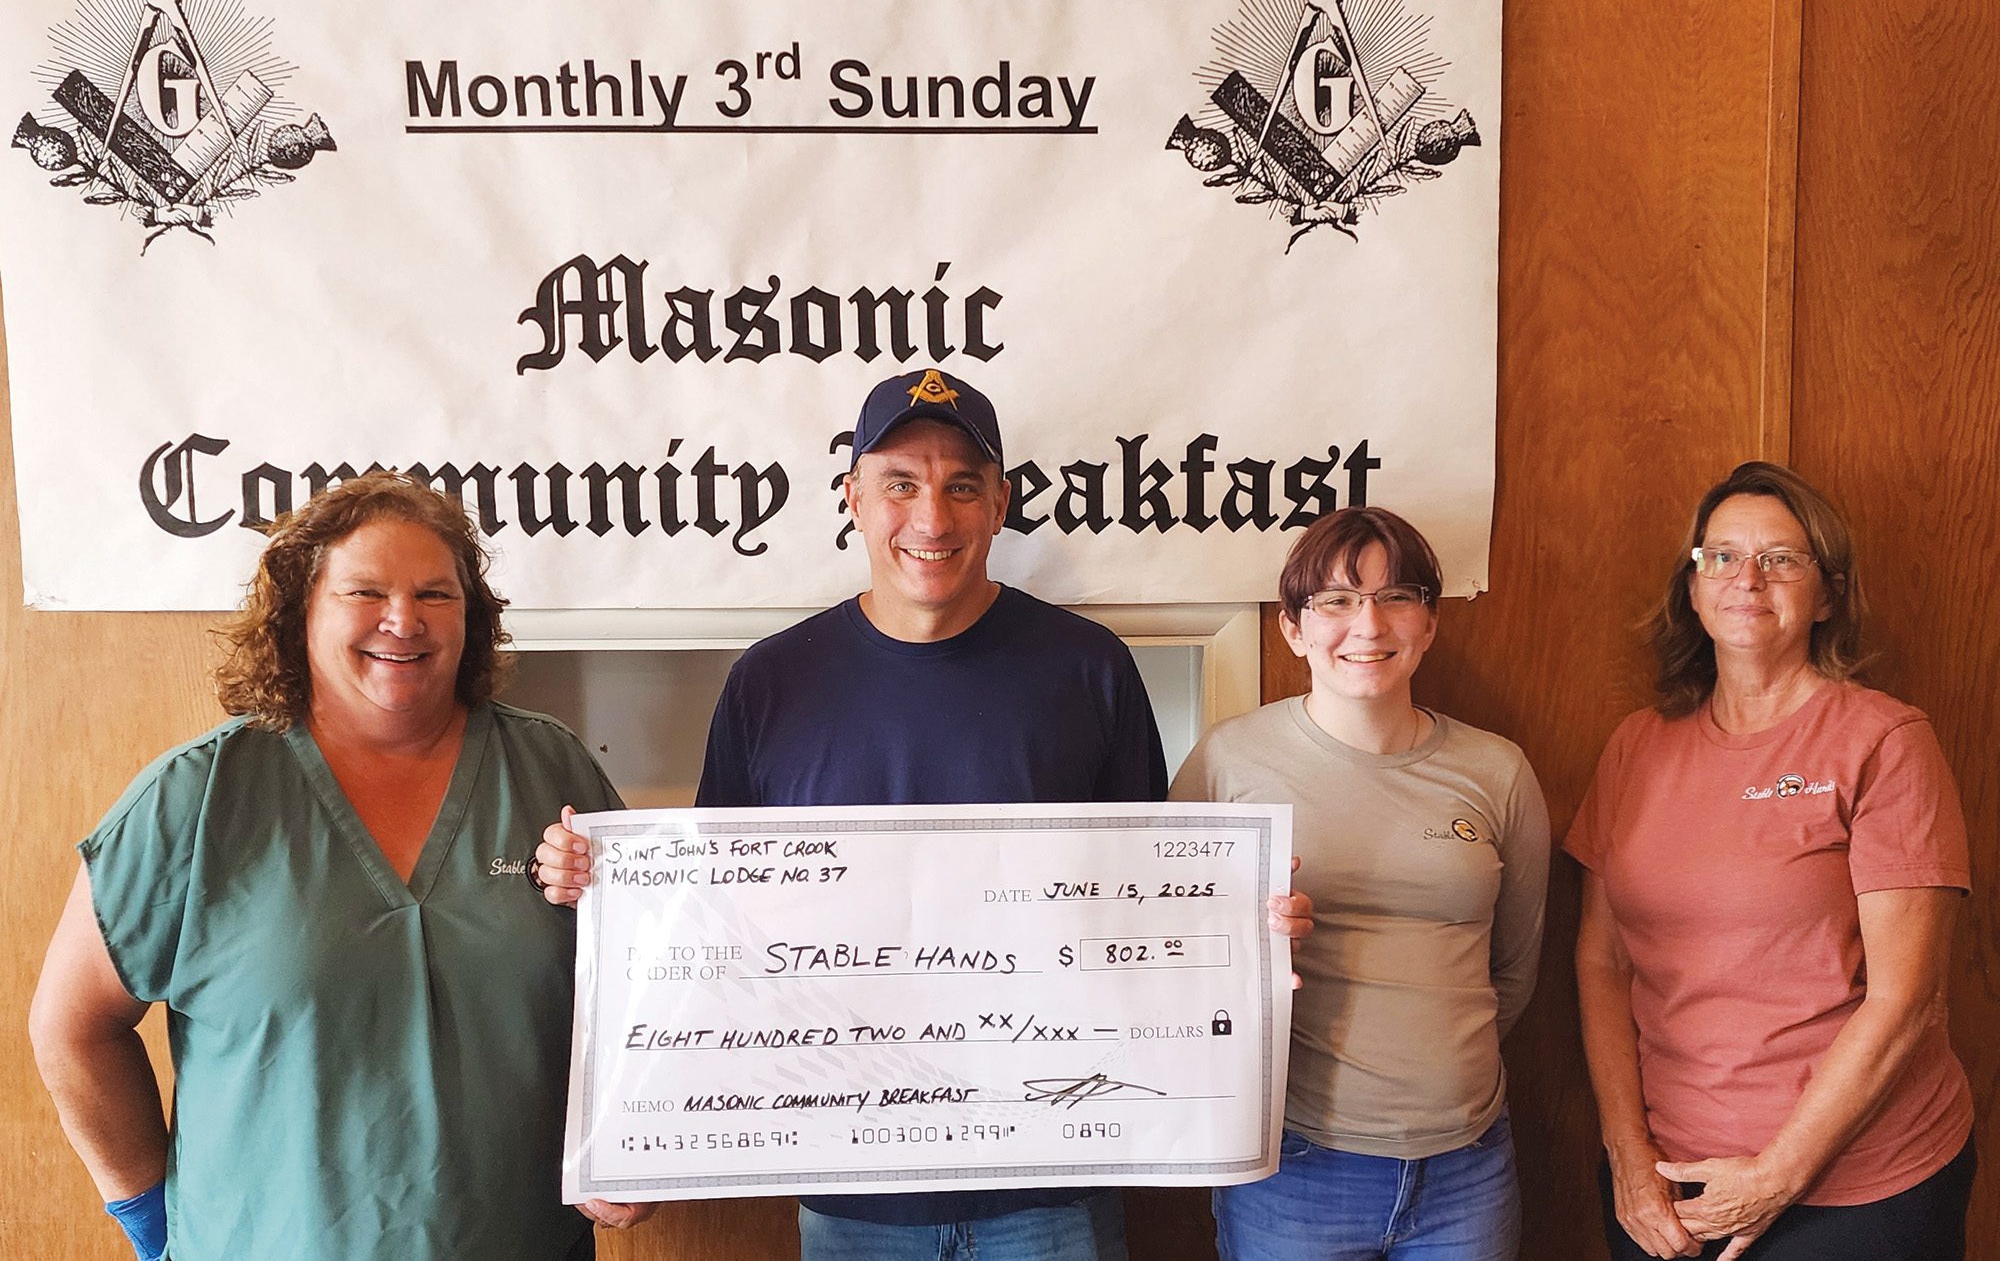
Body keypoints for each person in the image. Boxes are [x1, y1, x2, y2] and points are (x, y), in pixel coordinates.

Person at [533, 366, 1311, 1261]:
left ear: (999, 504)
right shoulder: (772, 682)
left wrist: (1244, 928)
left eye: (962, 487)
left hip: (1054, 1177)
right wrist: (609, 882)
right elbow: (716, 924)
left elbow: (1144, 907)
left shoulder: (1088, 669)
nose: (932, 519)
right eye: (900, 484)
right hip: (851, 1183)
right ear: (854, 498)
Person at [28, 471, 651, 1261]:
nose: (404, 619)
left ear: (473, 617)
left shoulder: (549, 771)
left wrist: (633, 1145)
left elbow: (649, 998)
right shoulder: (199, 797)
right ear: (299, 612)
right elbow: (74, 1026)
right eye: (365, 592)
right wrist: (152, 1220)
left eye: (437, 594)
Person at [1569, 461, 1974, 1261]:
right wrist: (1627, 1158)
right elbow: (1601, 960)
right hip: (1668, 1184)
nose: (1746, 579)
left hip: (1863, 1186)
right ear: (1692, 587)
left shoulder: (1885, 741)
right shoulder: (1635, 748)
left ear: (1827, 594)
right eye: (1719, 556)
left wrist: (1777, 1176)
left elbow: (1907, 998)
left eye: (1782, 559)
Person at [1173, 505, 1549, 1261]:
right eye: (1337, 601)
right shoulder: (1229, 762)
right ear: (1292, 628)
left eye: (1396, 597)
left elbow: (1514, 966)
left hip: (1468, 1162)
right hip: (1296, 1162)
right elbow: (1176, 952)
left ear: (1429, 622)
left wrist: (1435, 1081)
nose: (1368, 626)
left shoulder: (1497, 770)